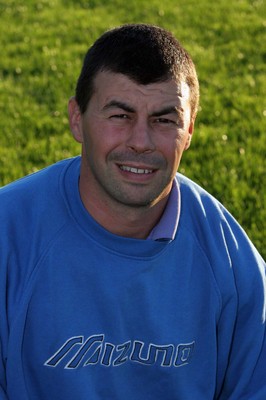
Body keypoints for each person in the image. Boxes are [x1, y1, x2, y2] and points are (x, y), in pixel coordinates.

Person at [0, 23, 265, 400]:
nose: (141, 142)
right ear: (77, 119)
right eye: (120, 115)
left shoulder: (229, 257)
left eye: (164, 119)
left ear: (189, 130)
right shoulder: (8, 235)